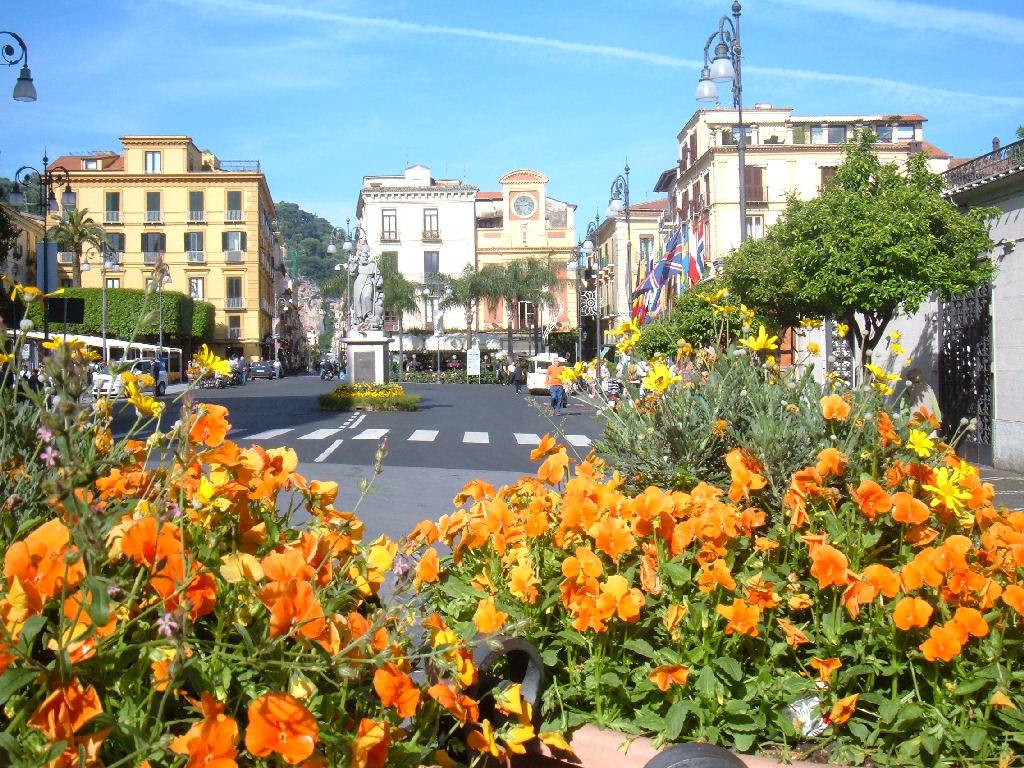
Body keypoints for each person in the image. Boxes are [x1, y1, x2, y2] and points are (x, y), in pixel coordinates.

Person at [349, 248, 383, 327]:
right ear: (360, 257)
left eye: (366, 257)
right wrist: (353, 263)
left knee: (367, 296)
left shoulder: (372, 265)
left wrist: (378, 282)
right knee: (358, 300)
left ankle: (369, 314)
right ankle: (360, 318)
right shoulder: (358, 266)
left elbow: (378, 275)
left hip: (368, 281)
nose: (365, 258)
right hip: (358, 283)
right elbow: (352, 273)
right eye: (363, 257)